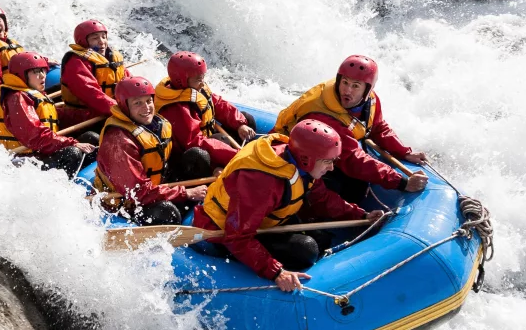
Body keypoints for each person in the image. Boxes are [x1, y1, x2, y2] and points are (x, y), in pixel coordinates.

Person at [193, 120, 385, 292]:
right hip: (223, 231)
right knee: (306, 250)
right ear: (306, 159)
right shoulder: (261, 183)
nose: (331, 168)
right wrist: (276, 272)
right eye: (327, 162)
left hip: (264, 220)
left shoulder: (299, 162)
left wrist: (361, 216)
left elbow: (322, 198)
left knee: (322, 239)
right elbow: (237, 237)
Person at [274, 55, 428, 202]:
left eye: (355, 86)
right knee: (349, 185)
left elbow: (378, 127)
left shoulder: (370, 100)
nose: (347, 91)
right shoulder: (324, 115)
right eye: (345, 82)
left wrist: (404, 152)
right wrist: (400, 182)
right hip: (291, 156)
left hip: (321, 155)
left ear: (368, 89)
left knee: (357, 185)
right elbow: (352, 159)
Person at [94, 77, 206, 226]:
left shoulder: (158, 124)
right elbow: (138, 193)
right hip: (127, 202)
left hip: (155, 185)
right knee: (167, 212)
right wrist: (186, 193)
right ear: (125, 106)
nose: (146, 108)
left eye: (148, 101)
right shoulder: (119, 141)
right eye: (137, 103)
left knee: (198, 157)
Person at [0, 52, 99, 178]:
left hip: (42, 152)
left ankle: (93, 179)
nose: (42, 76)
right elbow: (35, 136)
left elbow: (52, 118)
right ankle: (67, 190)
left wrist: (91, 115)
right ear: (20, 75)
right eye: (36, 72)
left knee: (92, 138)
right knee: (72, 152)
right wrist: (71, 143)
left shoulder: (31, 93)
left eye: (43, 71)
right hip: (25, 161)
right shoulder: (16, 98)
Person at [154, 51, 256, 180]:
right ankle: (226, 168)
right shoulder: (175, 109)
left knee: (247, 120)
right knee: (200, 154)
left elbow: (218, 104)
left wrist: (240, 124)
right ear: (182, 80)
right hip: (187, 158)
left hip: (205, 139)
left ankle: (244, 162)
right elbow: (195, 142)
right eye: (198, 79)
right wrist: (232, 156)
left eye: (203, 77)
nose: (202, 83)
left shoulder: (195, 88)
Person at [59, 19, 129, 127]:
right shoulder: (76, 62)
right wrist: (119, 109)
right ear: (83, 41)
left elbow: (128, 81)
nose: (101, 42)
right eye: (95, 38)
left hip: (111, 110)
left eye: (104, 37)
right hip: (83, 117)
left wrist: (135, 101)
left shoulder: (113, 57)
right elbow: (90, 93)